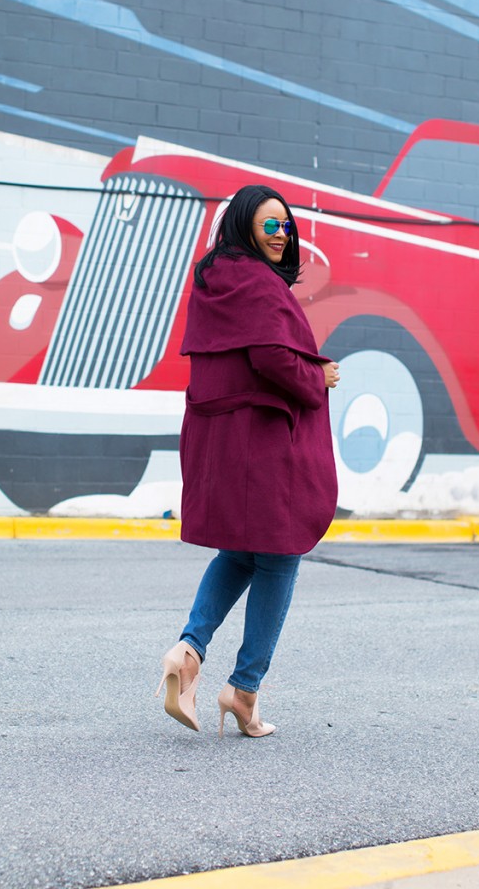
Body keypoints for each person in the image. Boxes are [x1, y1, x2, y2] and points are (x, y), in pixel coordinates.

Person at [155, 184, 339, 737]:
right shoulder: (258, 283)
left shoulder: (214, 280)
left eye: (286, 225)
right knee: (281, 555)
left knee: (238, 552)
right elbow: (271, 356)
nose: (281, 234)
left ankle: (188, 650)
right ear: (244, 227)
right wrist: (318, 376)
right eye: (269, 225)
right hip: (264, 445)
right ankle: (244, 688)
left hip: (223, 442)